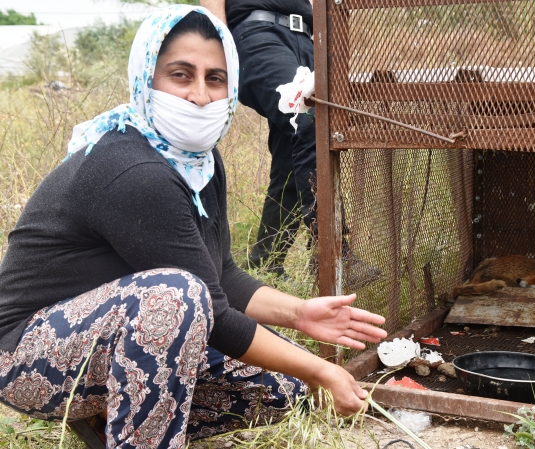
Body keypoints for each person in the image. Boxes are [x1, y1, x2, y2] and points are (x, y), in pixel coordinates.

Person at [0, 5, 387, 447]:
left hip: (114, 334)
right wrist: (322, 367)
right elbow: (212, 312)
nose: (200, 96)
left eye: (215, 79)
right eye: (181, 75)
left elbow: (219, 277)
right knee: (174, 296)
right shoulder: (133, 168)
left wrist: (300, 314)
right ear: (147, 77)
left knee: (287, 388)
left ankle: (108, 418)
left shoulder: (199, 162)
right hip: (27, 357)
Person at [199, 0, 317, 276]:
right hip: (259, 33)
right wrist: (219, 50)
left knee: (293, 149)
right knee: (310, 121)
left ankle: (265, 262)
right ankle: (332, 248)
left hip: (306, 39)